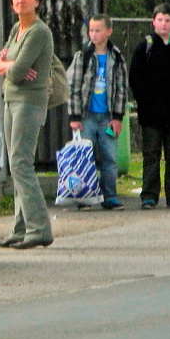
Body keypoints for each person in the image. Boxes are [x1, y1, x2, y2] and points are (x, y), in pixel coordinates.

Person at [0, 0, 54, 249]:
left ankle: (40, 228)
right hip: (11, 99)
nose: (20, 1)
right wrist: (8, 65)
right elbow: (0, 65)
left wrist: (9, 65)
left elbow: (15, 71)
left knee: (21, 163)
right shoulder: (17, 28)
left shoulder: (39, 32)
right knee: (15, 165)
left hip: (29, 102)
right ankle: (21, 229)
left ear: (37, 2)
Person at [128, 3, 170, 210]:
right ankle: (149, 195)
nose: (163, 24)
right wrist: (144, 103)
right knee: (151, 155)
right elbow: (135, 78)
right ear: (153, 22)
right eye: (160, 20)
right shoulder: (145, 46)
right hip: (150, 115)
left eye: (168, 20)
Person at [67, 14, 128, 210]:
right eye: (91, 30)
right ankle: (84, 197)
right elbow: (74, 87)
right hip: (87, 116)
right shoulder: (82, 56)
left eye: (98, 30)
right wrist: (74, 116)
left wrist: (118, 118)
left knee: (110, 158)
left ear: (108, 32)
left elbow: (121, 89)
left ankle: (109, 196)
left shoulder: (117, 58)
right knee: (85, 156)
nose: (93, 34)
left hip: (108, 118)